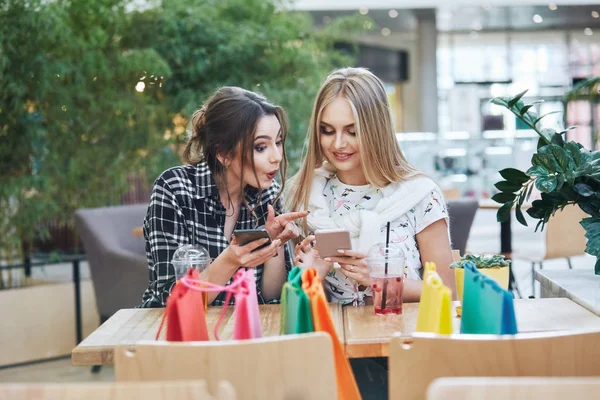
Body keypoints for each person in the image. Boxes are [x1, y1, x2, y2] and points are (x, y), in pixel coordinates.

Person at [287, 67, 454, 400]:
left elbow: (448, 292)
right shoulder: (304, 195)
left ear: (376, 130)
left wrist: (380, 281)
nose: (338, 144)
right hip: (322, 352)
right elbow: (289, 299)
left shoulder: (419, 194)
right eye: (327, 130)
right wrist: (308, 277)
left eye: (352, 131)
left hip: (398, 354)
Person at [140, 86, 308, 308]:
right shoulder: (174, 189)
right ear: (224, 154)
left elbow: (271, 298)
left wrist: (274, 244)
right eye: (260, 147)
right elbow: (172, 300)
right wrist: (230, 259)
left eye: (277, 142)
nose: (277, 157)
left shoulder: (267, 192)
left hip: (239, 334)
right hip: (175, 337)